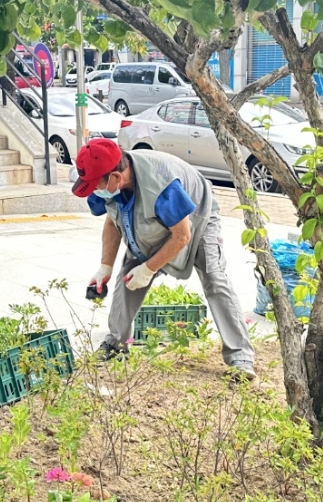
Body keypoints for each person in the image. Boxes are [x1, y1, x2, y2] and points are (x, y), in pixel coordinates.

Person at [73, 137, 254, 380]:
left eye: (96, 184)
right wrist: (105, 266)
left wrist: (148, 269)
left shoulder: (161, 185)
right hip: (151, 220)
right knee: (128, 274)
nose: (94, 189)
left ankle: (240, 358)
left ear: (116, 176)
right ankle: (116, 342)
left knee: (215, 279)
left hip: (196, 218)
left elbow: (181, 236)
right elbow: (111, 220)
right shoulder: (110, 184)